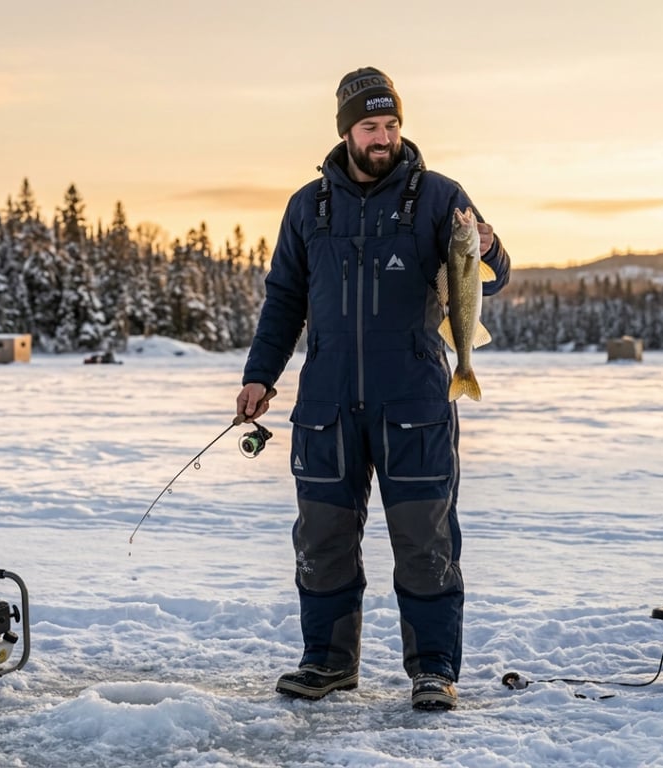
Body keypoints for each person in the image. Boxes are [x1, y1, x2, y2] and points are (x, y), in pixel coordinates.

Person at [235, 67, 511, 711]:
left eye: (390, 125)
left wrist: (492, 248)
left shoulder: (441, 196)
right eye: (370, 126)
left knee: (426, 542)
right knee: (322, 540)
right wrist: (259, 374)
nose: (382, 137)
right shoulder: (309, 206)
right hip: (326, 404)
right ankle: (327, 663)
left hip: (414, 401)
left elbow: (489, 276)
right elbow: (284, 300)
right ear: (346, 131)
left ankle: (434, 669)